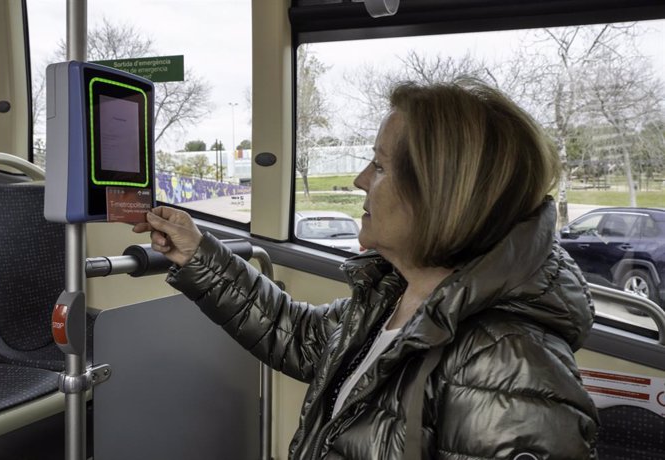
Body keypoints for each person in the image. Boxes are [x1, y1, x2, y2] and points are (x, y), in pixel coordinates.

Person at [133, 78, 599, 459]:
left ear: (438, 194)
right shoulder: (396, 295)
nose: (359, 180)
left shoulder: (510, 366)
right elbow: (297, 334)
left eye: (379, 165)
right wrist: (198, 253)